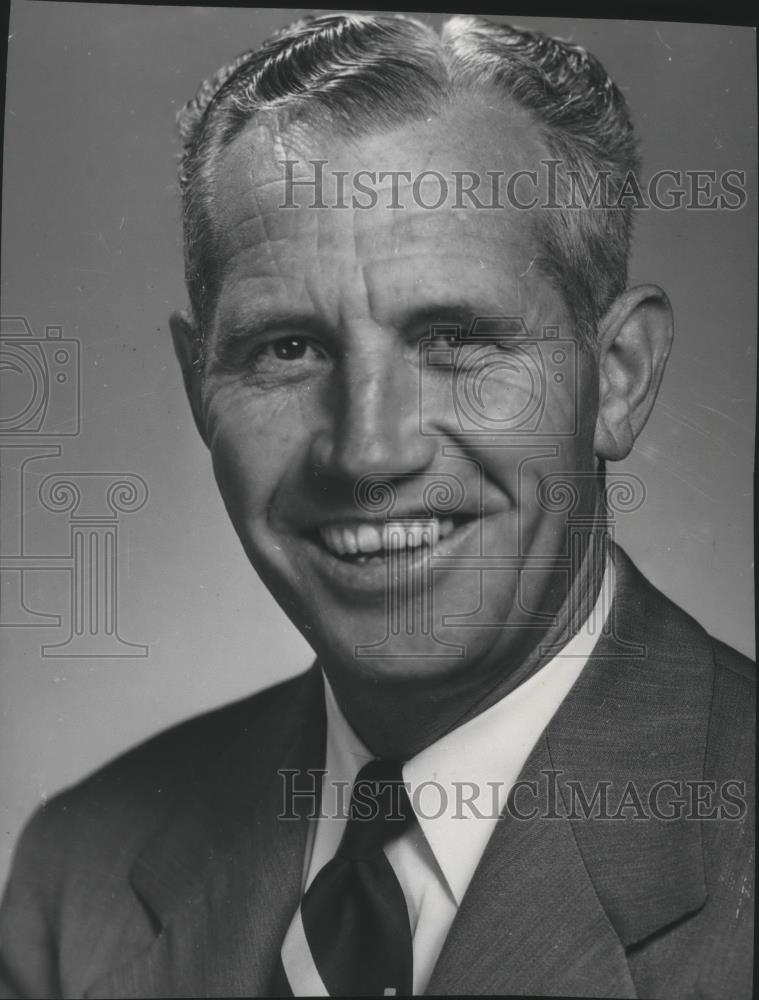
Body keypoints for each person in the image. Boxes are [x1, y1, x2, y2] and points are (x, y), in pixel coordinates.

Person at [0, 12, 753, 999]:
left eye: (452, 337)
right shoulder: (81, 869)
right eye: (288, 349)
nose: (367, 449)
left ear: (616, 377)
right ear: (199, 389)